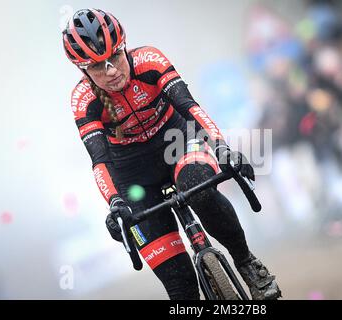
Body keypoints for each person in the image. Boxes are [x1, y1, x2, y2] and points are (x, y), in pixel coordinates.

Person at [62, 8, 281, 300]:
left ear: (124, 46)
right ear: (83, 70)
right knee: (180, 289)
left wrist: (222, 147)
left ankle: (246, 262)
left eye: (115, 57)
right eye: (98, 66)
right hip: (132, 176)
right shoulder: (83, 100)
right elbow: (99, 161)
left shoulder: (149, 60)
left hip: (177, 143)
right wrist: (115, 203)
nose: (111, 70)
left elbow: (190, 107)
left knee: (197, 189)